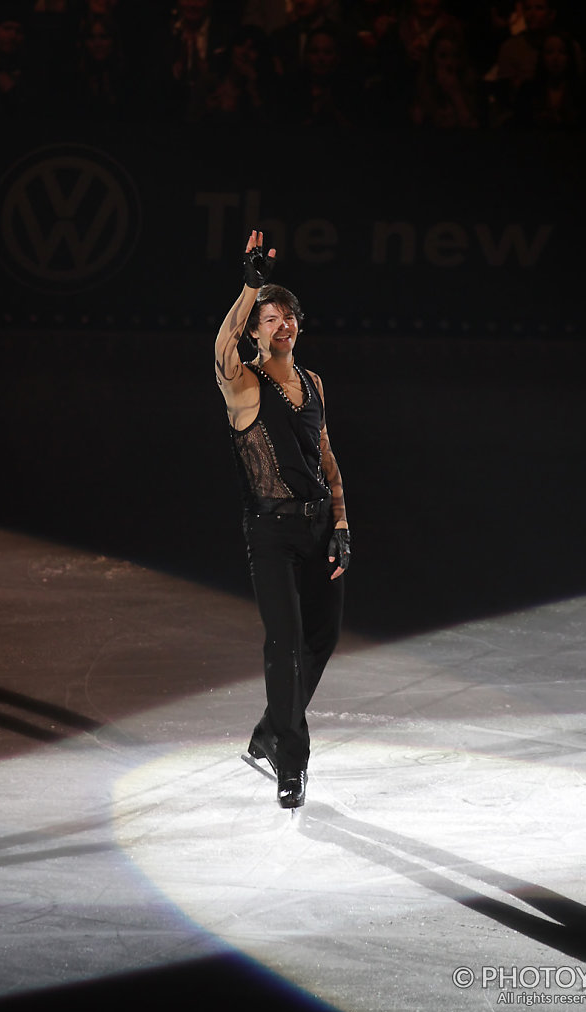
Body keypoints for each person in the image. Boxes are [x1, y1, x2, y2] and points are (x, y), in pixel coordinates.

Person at [214, 229, 350, 810]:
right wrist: (247, 289)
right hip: (270, 531)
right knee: (286, 643)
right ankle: (290, 761)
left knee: (323, 636)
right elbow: (219, 349)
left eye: (287, 316)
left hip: (318, 526)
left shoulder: (314, 383)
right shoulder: (242, 383)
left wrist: (342, 524)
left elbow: (326, 460)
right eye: (269, 319)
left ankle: (273, 727)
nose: (282, 325)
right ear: (255, 330)